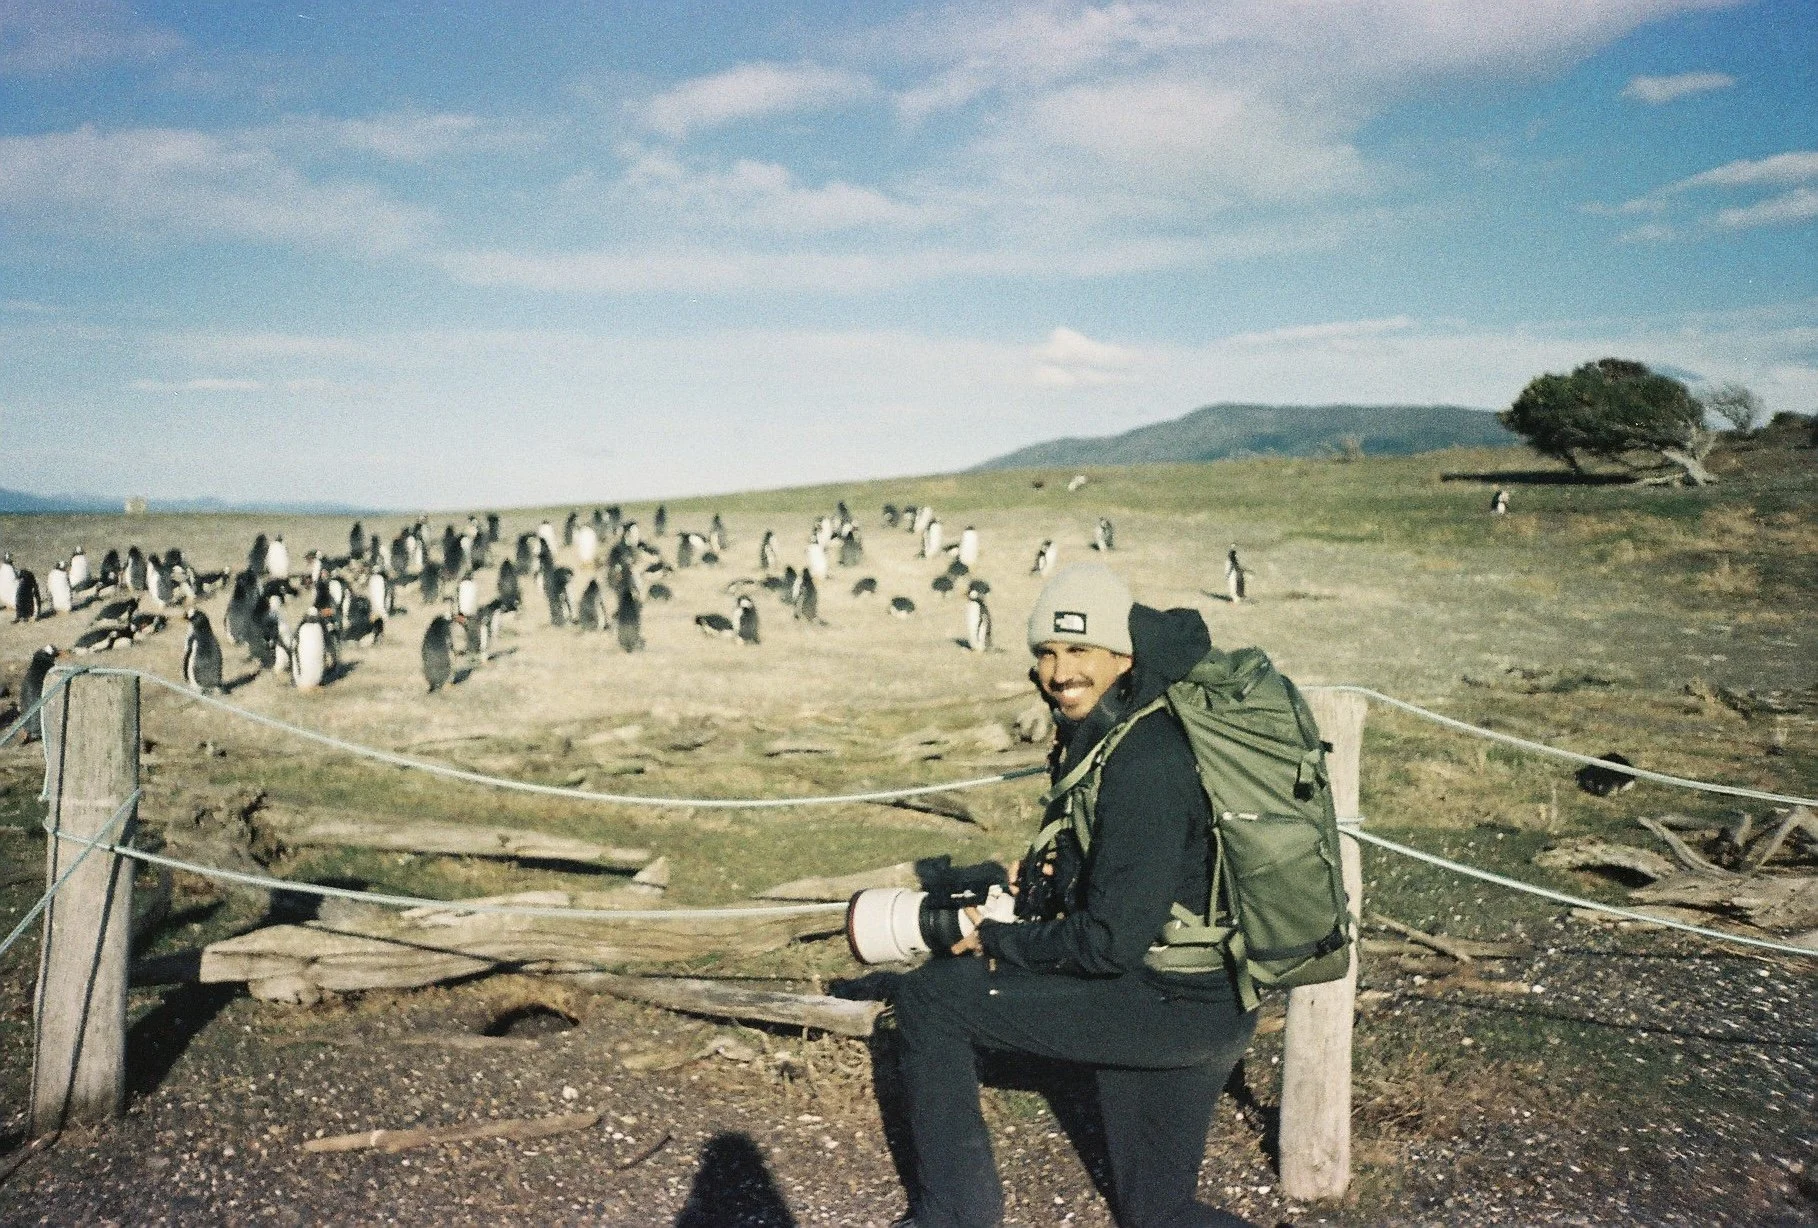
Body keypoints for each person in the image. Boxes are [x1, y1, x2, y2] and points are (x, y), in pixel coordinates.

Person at [888, 563, 1258, 1228]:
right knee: (1159, 1214)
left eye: (1079, 649)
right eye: (1047, 653)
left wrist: (995, 939)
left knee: (929, 998)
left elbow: (1109, 943)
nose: (1060, 672)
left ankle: (952, 1218)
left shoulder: (1144, 759)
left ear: (1122, 656)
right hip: (1206, 998)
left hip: (1164, 1004)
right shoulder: (1131, 730)